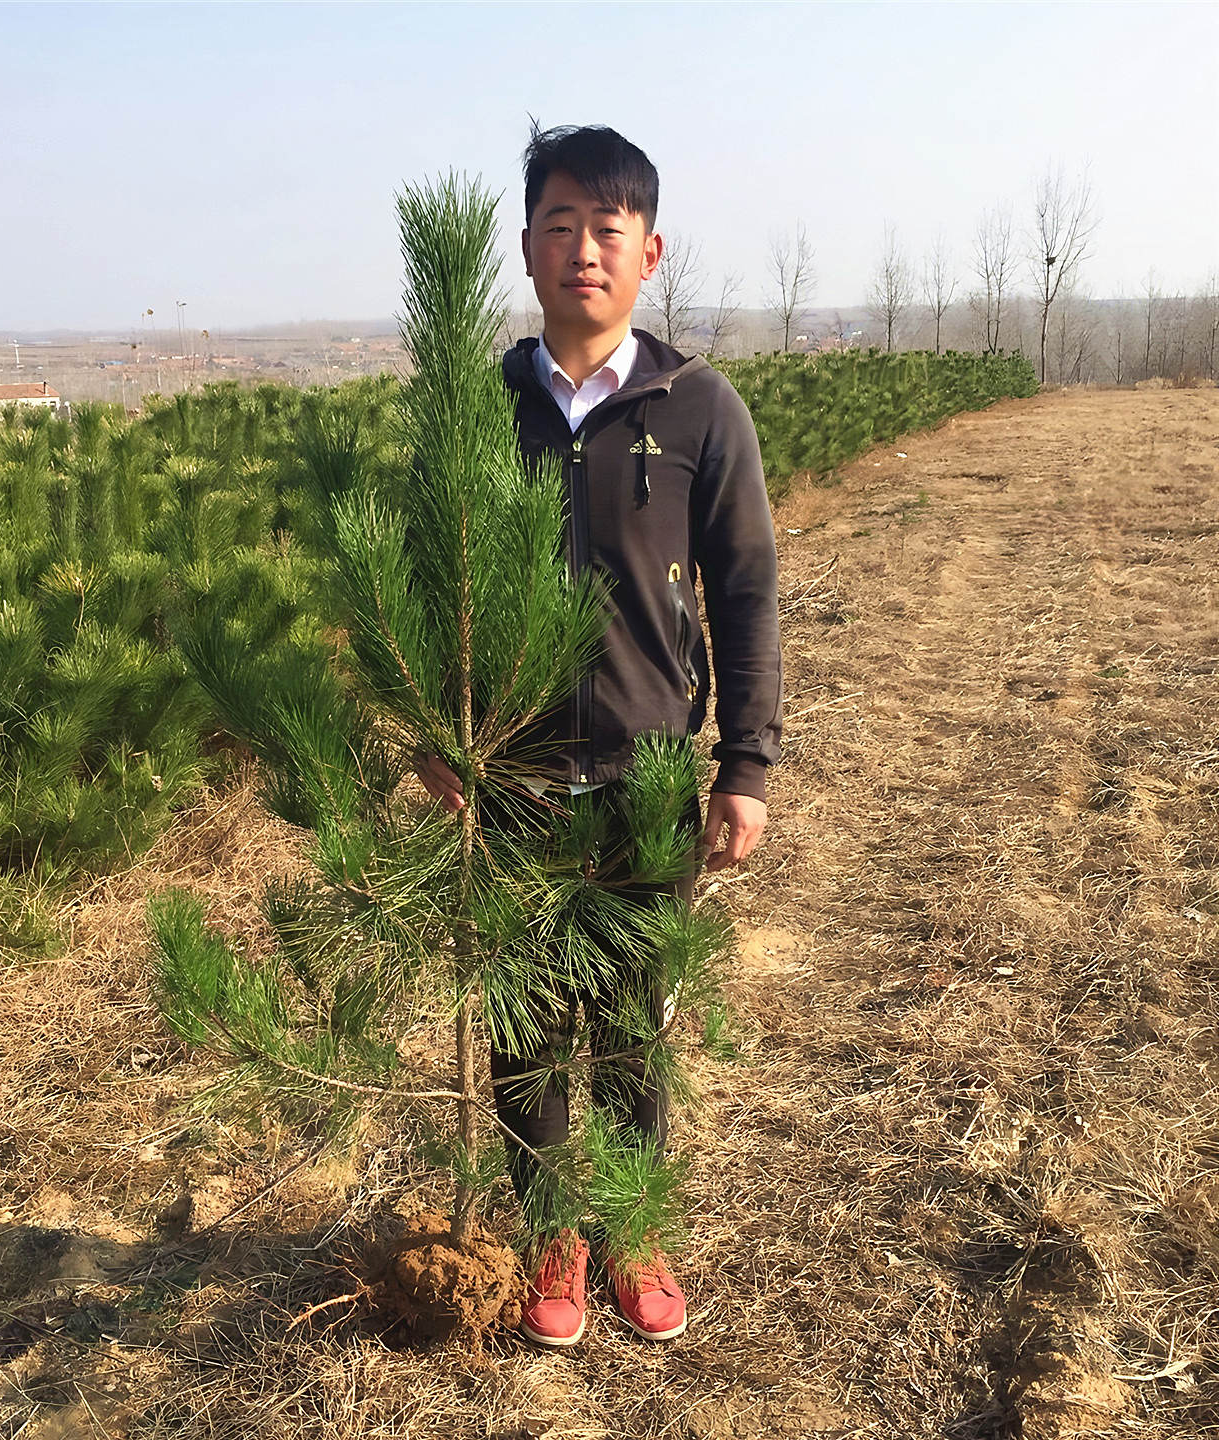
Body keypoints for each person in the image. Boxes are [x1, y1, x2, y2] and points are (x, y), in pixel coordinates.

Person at [416, 124, 782, 1346]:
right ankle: (547, 1233)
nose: (584, 249)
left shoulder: (700, 410)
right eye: (560, 225)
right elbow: (424, 583)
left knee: (631, 1017)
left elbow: (746, 593)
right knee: (525, 1022)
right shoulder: (481, 411)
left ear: (650, 254)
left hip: (647, 772)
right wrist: (435, 732)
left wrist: (745, 764)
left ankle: (630, 1225)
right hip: (513, 780)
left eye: (607, 229)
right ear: (526, 248)